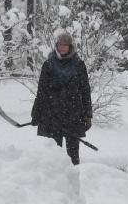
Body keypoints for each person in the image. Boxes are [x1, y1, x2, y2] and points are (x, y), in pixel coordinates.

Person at [31, 32, 92, 165]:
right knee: (53, 156)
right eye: (60, 45)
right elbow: (42, 91)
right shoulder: (48, 65)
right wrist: (36, 113)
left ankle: (75, 181)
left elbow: (85, 91)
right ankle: (53, 182)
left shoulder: (79, 65)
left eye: (65, 45)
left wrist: (88, 115)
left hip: (73, 114)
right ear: (56, 45)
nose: (62, 48)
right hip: (52, 114)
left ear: (70, 47)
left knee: (73, 156)